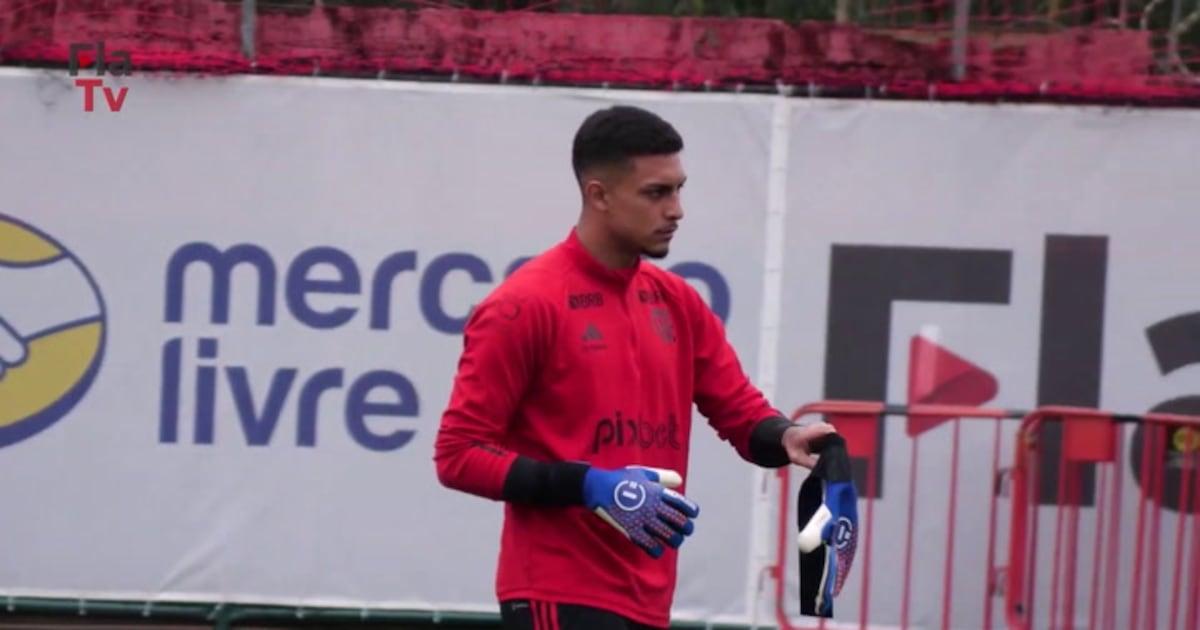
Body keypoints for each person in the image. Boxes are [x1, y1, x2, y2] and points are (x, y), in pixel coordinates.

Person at [434, 104, 836, 630]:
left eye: (679, 190)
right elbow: (458, 455)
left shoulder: (678, 302)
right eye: (656, 193)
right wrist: (586, 484)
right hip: (556, 591)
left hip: (648, 597)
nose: (677, 210)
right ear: (599, 195)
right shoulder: (523, 305)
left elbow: (740, 411)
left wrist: (786, 436)